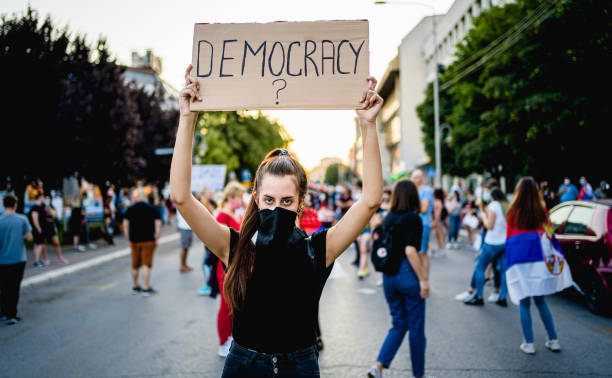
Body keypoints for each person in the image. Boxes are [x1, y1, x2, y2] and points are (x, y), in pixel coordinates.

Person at [170, 64, 383, 377]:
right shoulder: (235, 247)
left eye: (286, 201)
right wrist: (187, 118)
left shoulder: (319, 249)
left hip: (300, 367)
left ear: (300, 204)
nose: (277, 208)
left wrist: (367, 125)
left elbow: (371, 201)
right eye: (269, 200)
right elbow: (182, 198)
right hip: (244, 365)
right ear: (256, 198)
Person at [367, 179, 429, 378]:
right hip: (406, 273)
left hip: (388, 277)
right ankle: (419, 375)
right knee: (416, 328)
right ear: (413, 196)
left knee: (398, 323)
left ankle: (378, 367)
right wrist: (423, 280)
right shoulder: (413, 219)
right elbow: (411, 251)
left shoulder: (388, 218)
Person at [506, 177, 563, 354]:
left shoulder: (513, 211)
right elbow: (550, 232)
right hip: (538, 259)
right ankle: (553, 340)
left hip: (519, 259)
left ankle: (529, 343)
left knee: (524, 301)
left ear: (518, 191)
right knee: (540, 300)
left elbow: (508, 236)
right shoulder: (541, 210)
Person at [214, 182, 246, 358]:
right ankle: (223, 342)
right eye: (239, 197)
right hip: (226, 265)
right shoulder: (222, 216)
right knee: (226, 306)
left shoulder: (235, 213)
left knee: (234, 305)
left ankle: (231, 338)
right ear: (231, 197)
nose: (241, 201)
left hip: (237, 263)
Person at [465, 187, 508, 306]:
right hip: (504, 242)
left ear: (493, 196)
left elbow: (489, 225)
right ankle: (502, 297)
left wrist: (483, 216)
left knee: (480, 267)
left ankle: (479, 296)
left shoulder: (493, 205)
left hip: (492, 242)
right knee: (504, 271)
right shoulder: (507, 206)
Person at [0, 195, 33, 324]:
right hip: (18, 259)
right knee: (14, 287)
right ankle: (12, 315)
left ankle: (3, 312)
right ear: (15, 205)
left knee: (4, 286)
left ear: (3, 205)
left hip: (2, 260)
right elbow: (29, 237)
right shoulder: (22, 219)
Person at [123, 189, 162, 297]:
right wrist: (156, 237)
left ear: (137, 197)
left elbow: (125, 225)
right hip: (148, 240)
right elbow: (158, 225)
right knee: (146, 264)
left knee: (134, 265)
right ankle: (145, 288)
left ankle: (135, 287)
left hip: (134, 240)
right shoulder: (152, 209)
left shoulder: (130, 209)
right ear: (145, 196)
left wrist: (128, 237)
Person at [29, 194, 68, 266]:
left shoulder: (47, 206)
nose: (45, 199)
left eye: (47, 198)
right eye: (44, 198)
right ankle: (45, 259)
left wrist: (49, 209)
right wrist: (38, 228)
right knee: (43, 244)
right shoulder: (36, 207)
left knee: (56, 242)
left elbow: (54, 216)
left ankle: (60, 257)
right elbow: (35, 218)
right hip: (43, 227)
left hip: (50, 226)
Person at [411, 170, 433, 255]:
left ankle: (423, 269)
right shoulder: (414, 191)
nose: (413, 179)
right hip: (414, 224)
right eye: (413, 177)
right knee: (416, 253)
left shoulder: (426, 190)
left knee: (422, 253)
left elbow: (424, 209)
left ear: (422, 178)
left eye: (416, 177)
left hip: (423, 224)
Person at [176, 208, 194, 273]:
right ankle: (182, 266)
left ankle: (184, 265)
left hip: (188, 226)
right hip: (184, 227)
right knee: (184, 247)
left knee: (186, 247)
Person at [431, 188, 447, 257]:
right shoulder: (437, 201)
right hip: (437, 221)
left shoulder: (438, 202)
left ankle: (441, 249)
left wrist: (435, 221)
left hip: (438, 221)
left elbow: (438, 213)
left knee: (440, 235)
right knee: (438, 236)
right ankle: (440, 249)